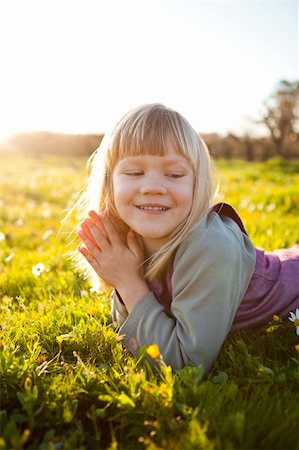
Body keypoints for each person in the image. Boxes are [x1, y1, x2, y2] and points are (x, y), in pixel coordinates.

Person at [75, 103, 299, 372]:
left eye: (174, 174)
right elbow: (127, 326)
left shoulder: (210, 246)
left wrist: (128, 281)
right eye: (135, 172)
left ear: (196, 182)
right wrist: (125, 280)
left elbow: (185, 366)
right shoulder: (134, 237)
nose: (153, 187)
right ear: (110, 183)